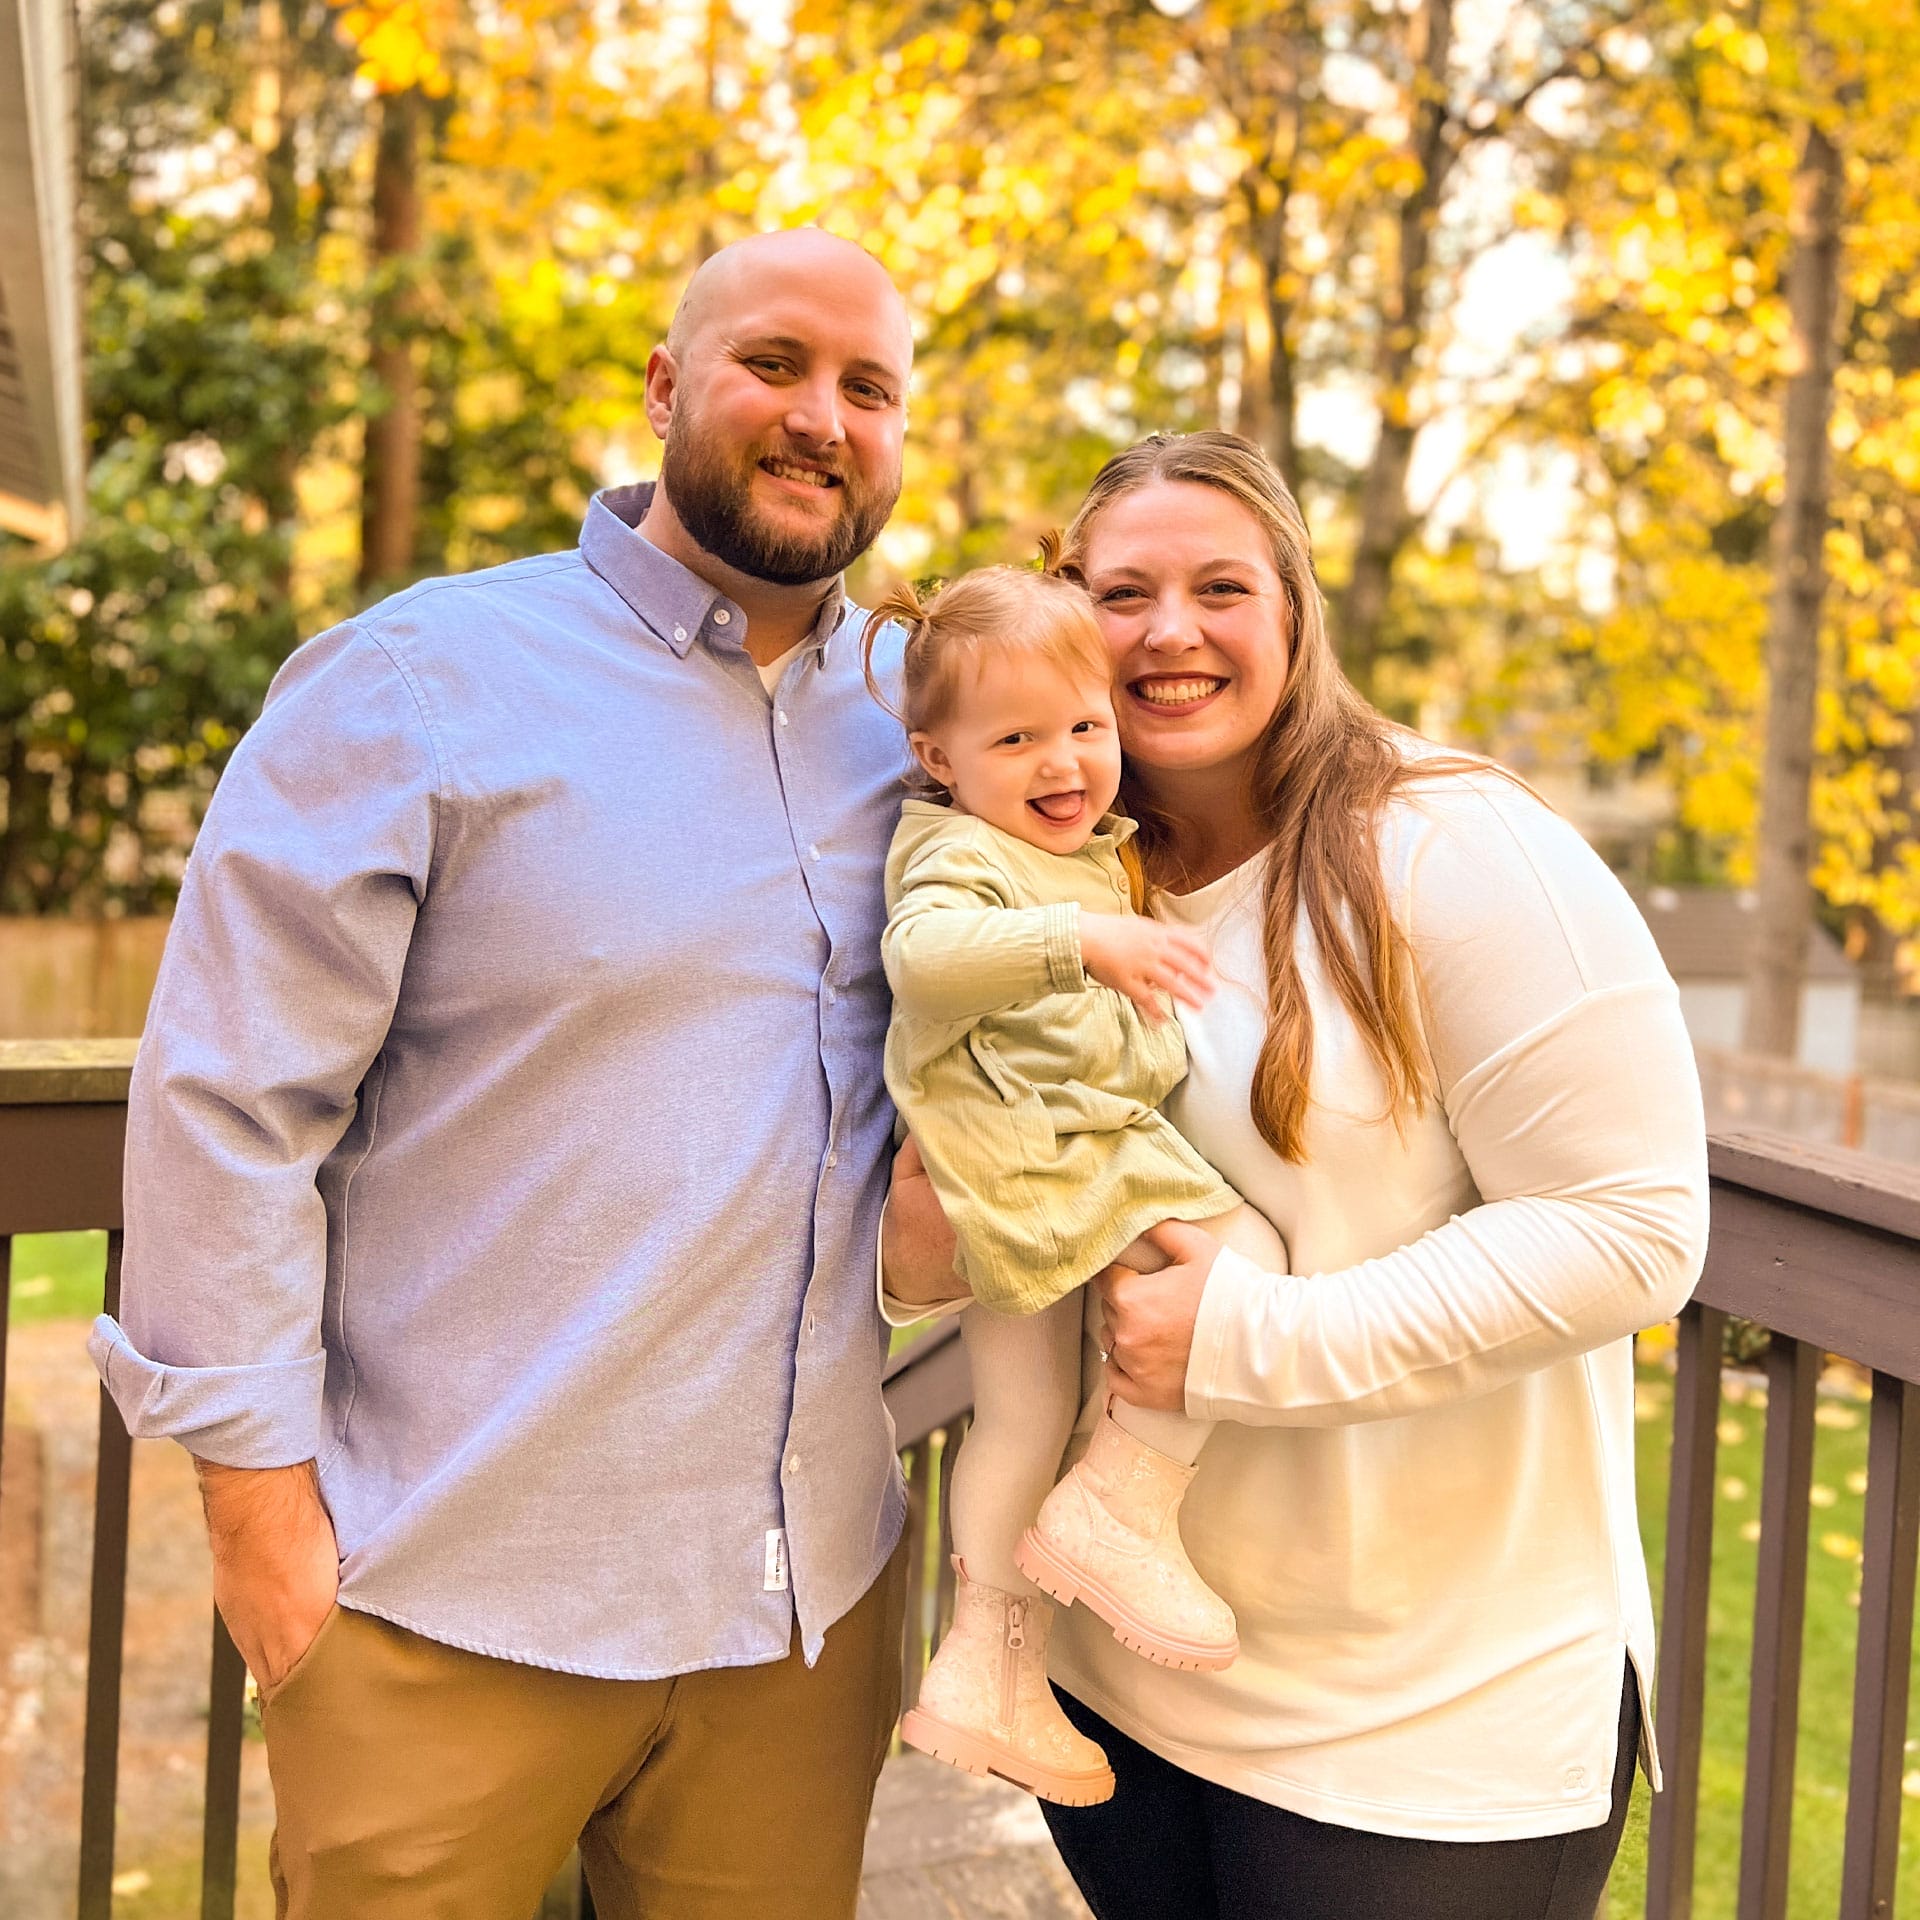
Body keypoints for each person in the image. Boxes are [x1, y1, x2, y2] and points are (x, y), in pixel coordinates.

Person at [89, 227, 919, 1920]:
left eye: (870, 384)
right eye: (774, 362)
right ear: (667, 387)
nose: (822, 415)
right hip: (442, 1606)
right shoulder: (418, 684)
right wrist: (263, 1531)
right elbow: (228, 1109)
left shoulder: (927, 716)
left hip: (803, 1618)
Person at [883, 431, 1709, 1920]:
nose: (1172, 631)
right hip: (1124, 1698)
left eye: (1222, 587)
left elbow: (1635, 1230)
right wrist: (925, 1237)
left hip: (1418, 1738)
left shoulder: (1458, 850)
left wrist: (1251, 1338)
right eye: (1123, 591)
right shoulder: (1063, 868)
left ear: (1295, 614)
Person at [859, 561, 1287, 1807]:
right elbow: (923, 958)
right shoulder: (956, 855)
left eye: (1087, 728)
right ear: (940, 759)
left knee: (1024, 1415)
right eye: (1018, 739)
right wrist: (1084, 939)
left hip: (1022, 1173)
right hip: (1044, 1153)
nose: (1065, 764)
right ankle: (1126, 1499)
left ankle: (984, 1671)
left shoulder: (1075, 849)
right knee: (1241, 1250)